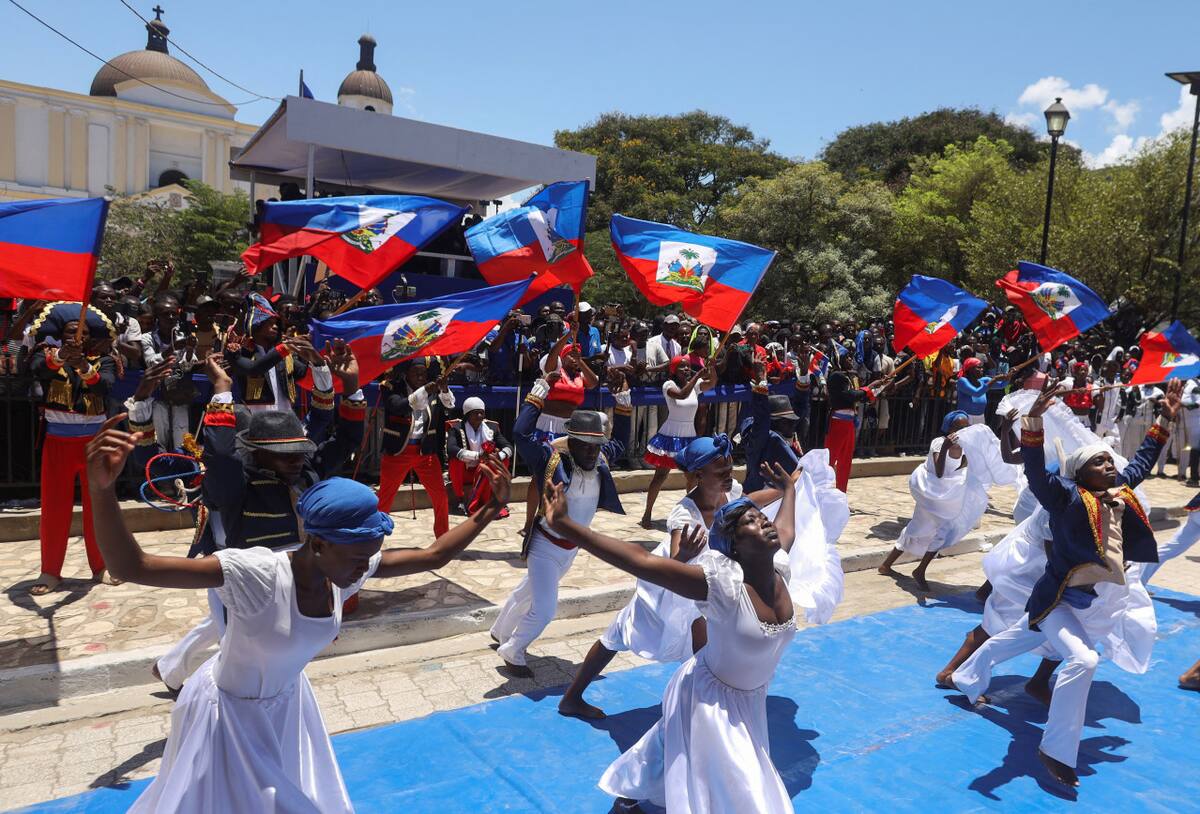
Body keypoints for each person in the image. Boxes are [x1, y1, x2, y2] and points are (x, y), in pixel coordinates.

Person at [83, 415, 510, 813]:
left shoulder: (346, 568)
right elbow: (134, 567)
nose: (365, 568)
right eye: (359, 558)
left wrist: (491, 508)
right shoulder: (256, 574)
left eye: (370, 556)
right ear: (318, 544)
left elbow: (434, 555)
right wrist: (101, 490)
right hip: (228, 715)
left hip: (288, 707)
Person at [952, 377, 1182, 787]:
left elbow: (1142, 461)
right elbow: (1035, 472)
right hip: (1055, 600)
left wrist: (1164, 419)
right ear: (1079, 473)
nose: (1109, 466)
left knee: (1013, 640)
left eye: (1110, 461)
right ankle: (1056, 751)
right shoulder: (1064, 497)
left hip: (1084, 600)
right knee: (1084, 659)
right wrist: (1034, 423)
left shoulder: (1119, 492)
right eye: (1099, 462)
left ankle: (965, 675)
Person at [542, 463, 801, 813]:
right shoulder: (723, 587)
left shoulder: (779, 566)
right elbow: (642, 561)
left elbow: (786, 528)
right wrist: (566, 526)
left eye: (761, 517)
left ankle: (628, 795)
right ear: (736, 547)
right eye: (751, 522)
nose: (765, 523)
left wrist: (790, 489)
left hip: (750, 699)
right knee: (748, 786)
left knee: (672, 744)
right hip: (710, 700)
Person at [152, 346, 363, 691]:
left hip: (295, 573)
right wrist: (222, 390)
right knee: (239, 650)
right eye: (284, 455)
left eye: (299, 452)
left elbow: (346, 439)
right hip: (246, 577)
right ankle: (207, 698)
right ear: (257, 453)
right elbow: (221, 455)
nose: (295, 461)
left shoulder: (306, 472)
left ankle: (170, 668)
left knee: (235, 631)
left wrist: (351, 386)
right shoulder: (237, 486)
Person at [559, 436, 790, 720]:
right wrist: (686, 554)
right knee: (620, 631)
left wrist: (783, 489)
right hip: (672, 582)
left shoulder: (731, 492)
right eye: (721, 472)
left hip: (709, 580)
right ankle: (572, 698)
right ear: (699, 475)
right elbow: (674, 560)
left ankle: (704, 706)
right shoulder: (684, 512)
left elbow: (749, 501)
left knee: (703, 638)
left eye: (730, 468)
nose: (728, 475)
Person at [490, 370, 631, 676]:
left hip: (571, 549)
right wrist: (540, 389)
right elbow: (520, 433)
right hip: (545, 545)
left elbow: (621, 440)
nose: (591, 452)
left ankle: (499, 631)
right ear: (571, 443)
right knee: (545, 609)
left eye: (596, 445)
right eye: (585, 445)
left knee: (527, 592)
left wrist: (622, 398)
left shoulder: (601, 459)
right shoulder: (550, 459)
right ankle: (513, 650)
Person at [26, 302, 118, 595]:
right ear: (60, 334)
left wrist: (83, 366)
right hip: (58, 443)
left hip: (95, 443)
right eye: (70, 331)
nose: (76, 336)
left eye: (82, 332)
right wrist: (62, 357)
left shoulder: (104, 360)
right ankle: (50, 571)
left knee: (98, 507)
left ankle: (101, 566)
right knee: (54, 508)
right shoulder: (45, 354)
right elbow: (36, 370)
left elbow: (104, 386)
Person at [376, 358, 456, 536]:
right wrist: (424, 391)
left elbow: (449, 405)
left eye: (423, 374)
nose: (420, 377)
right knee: (385, 499)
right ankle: (374, 536)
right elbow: (398, 406)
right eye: (416, 373)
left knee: (440, 497)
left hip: (425, 453)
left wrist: (444, 389)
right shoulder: (391, 387)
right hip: (398, 452)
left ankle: (443, 537)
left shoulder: (432, 389)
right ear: (407, 374)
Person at [640, 356, 715, 528]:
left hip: (689, 436)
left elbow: (712, 383)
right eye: (682, 367)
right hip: (670, 436)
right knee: (660, 476)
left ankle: (691, 513)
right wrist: (697, 376)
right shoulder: (668, 385)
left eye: (688, 366)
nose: (686, 369)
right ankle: (647, 513)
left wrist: (712, 368)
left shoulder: (694, 385)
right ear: (673, 370)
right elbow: (681, 395)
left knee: (692, 477)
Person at [225, 293, 311, 414]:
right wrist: (286, 347)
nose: (275, 327)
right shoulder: (241, 352)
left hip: (284, 419)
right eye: (270, 323)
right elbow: (254, 368)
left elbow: (305, 376)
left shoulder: (283, 356)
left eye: (276, 323)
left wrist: (312, 357)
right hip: (252, 419)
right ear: (256, 324)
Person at [446, 396, 513, 517]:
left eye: (482, 413)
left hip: (485, 470)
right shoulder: (456, 428)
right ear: (467, 415)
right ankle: (460, 499)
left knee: (504, 459)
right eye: (476, 413)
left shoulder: (491, 427)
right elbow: (451, 449)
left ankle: (496, 497)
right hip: (465, 471)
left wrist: (498, 456)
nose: (480, 416)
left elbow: (508, 446)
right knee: (455, 460)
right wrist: (477, 456)